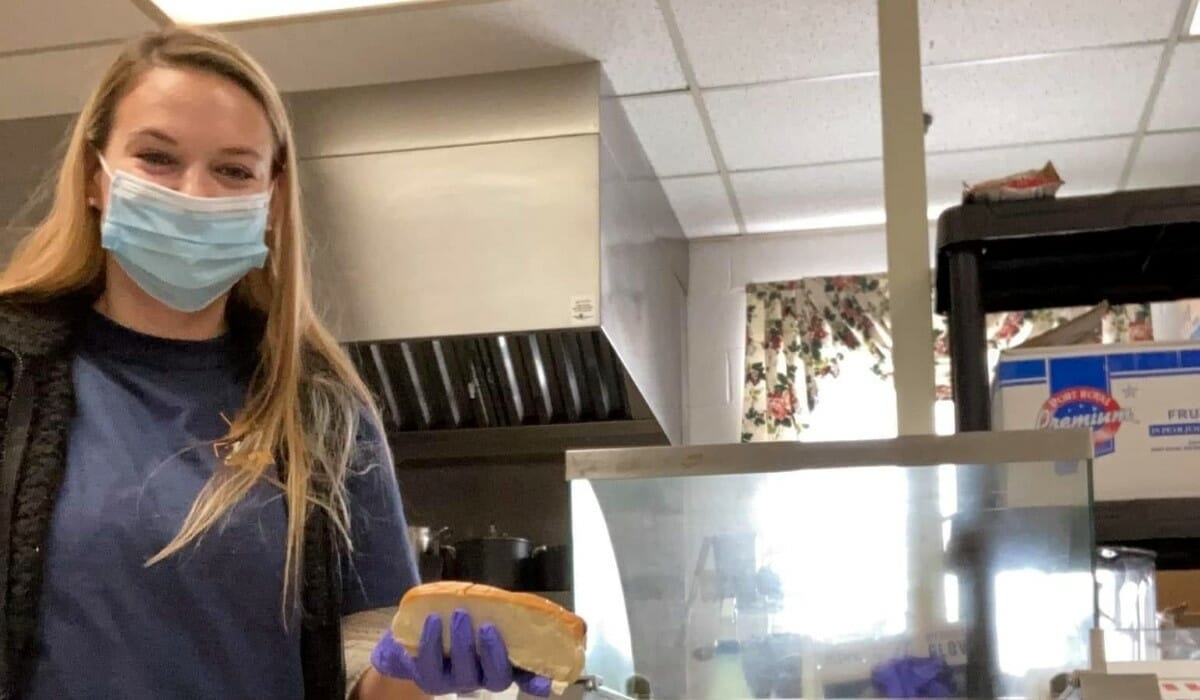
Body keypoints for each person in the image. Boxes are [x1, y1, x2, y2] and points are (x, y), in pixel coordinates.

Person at [0, 26, 550, 700]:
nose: (195, 193)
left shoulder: (325, 416)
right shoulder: (11, 381)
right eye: (157, 158)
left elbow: (364, 674)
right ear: (94, 177)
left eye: (232, 169)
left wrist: (420, 669)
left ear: (271, 197)